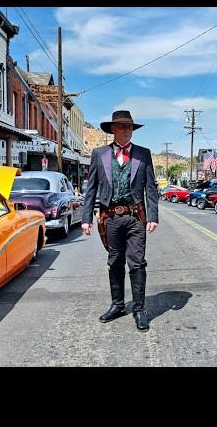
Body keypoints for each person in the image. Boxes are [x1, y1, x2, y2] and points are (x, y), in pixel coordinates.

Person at [81, 110, 158, 332]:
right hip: (110, 218)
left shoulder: (144, 154)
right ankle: (117, 305)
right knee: (115, 261)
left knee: (137, 262)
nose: (126, 130)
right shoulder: (99, 154)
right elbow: (91, 188)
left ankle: (140, 309)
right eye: (122, 127)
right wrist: (86, 218)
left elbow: (150, 187)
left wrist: (153, 216)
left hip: (136, 216)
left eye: (129, 127)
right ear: (113, 130)